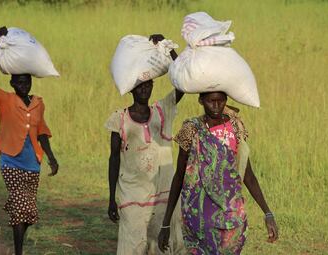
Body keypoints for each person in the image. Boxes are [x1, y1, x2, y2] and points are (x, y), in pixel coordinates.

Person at [158, 91, 279, 254]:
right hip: (199, 217)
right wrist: (166, 223)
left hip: (231, 215)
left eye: (220, 101)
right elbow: (180, 175)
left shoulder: (235, 128)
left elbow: (247, 175)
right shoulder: (191, 130)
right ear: (201, 100)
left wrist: (267, 212)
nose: (216, 106)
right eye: (210, 101)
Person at [0, 26, 59, 255]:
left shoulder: (38, 103)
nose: (24, 85)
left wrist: (51, 157)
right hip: (11, 162)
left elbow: (42, 132)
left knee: (29, 213)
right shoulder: (4, 99)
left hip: (33, 163)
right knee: (21, 208)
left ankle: (18, 245)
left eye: (27, 81)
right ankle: (18, 252)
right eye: (19, 82)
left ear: (30, 82)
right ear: (12, 83)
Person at [105, 34, 186, 254]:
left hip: (162, 193)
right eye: (139, 86)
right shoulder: (119, 119)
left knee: (160, 245)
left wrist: (167, 48)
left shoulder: (162, 111)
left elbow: (182, 84)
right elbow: (113, 160)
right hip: (132, 195)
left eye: (148, 85)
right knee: (133, 246)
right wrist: (112, 198)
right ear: (131, 89)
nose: (144, 90)